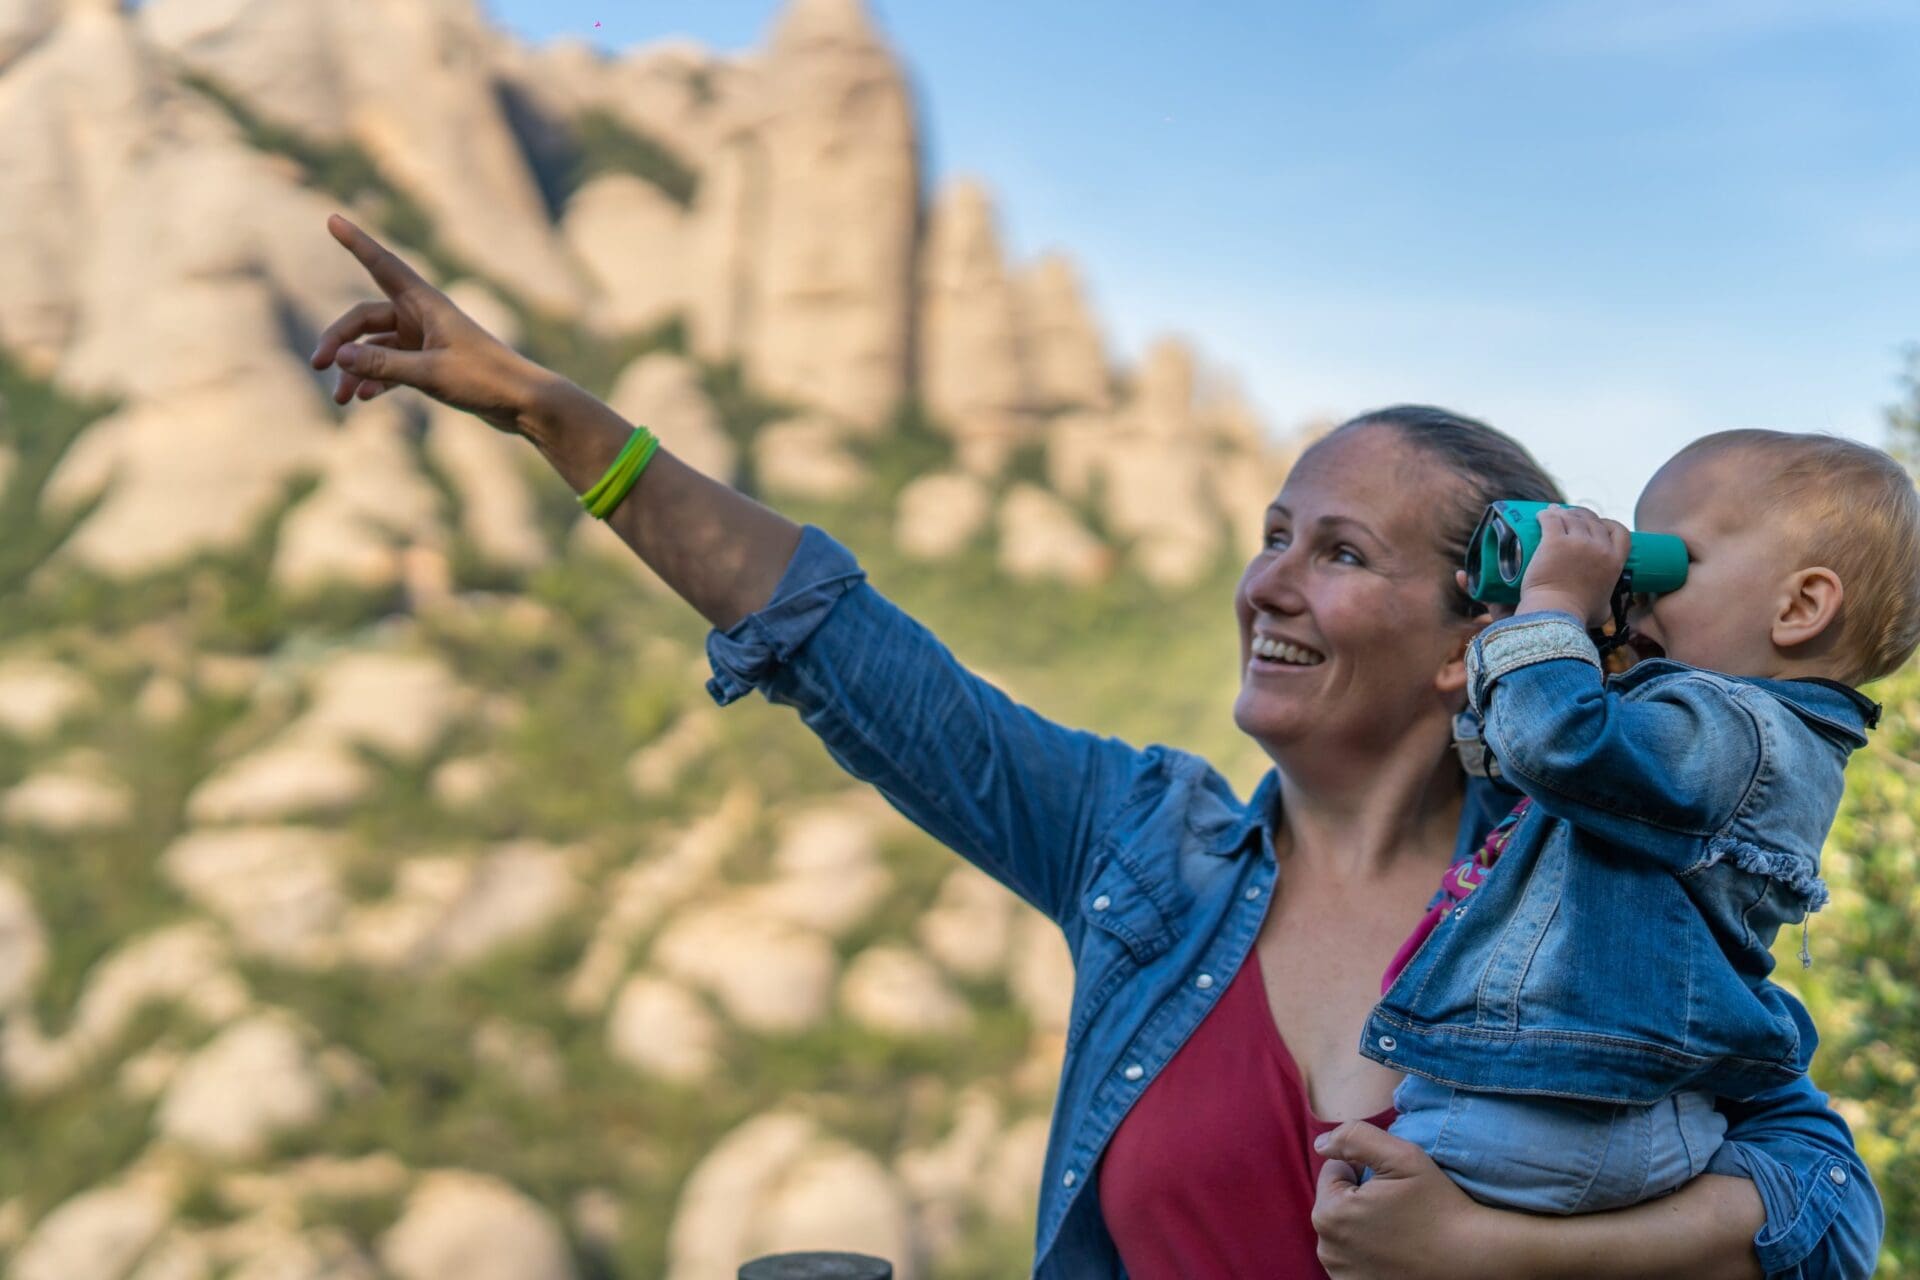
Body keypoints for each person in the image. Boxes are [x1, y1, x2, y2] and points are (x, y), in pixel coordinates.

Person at [310, 213, 1885, 1278]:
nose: (1267, 580)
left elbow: (1828, 1203)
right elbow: (839, 645)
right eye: (1273, 534)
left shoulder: (1614, 877)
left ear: (1484, 632)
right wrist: (547, 413)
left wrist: (1501, 1256)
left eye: (1339, 553)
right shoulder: (1146, 852)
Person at [1364, 434, 1920, 1218]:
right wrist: (1514, 620)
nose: (1639, 592)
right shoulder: (1702, 729)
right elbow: (1515, 756)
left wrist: (1553, 612)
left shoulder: (1749, 738)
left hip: (1560, 1112)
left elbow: (1552, 741)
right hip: (1561, 1102)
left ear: (1798, 608)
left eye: (1671, 562)